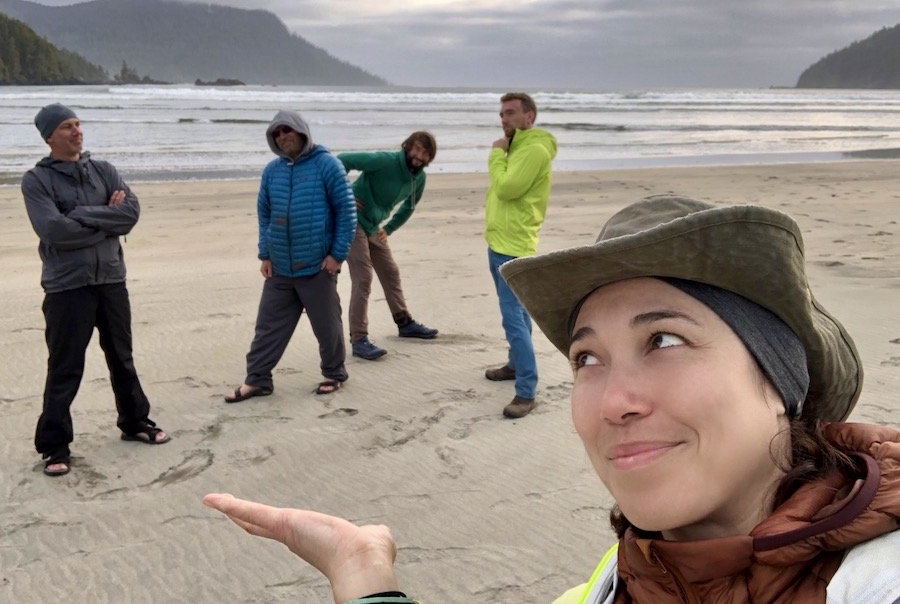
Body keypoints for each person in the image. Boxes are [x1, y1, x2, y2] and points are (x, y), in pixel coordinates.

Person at [204, 194, 899, 603]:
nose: (612, 402)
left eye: (663, 341)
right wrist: (366, 575)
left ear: (780, 381)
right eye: (588, 357)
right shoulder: (625, 573)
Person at [22, 103, 170, 478]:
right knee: (65, 367)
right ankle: (55, 445)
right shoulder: (36, 180)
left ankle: (135, 422)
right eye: (67, 126)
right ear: (49, 136)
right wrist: (106, 217)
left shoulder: (104, 171)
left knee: (122, 357)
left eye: (77, 124)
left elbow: (130, 214)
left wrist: (80, 215)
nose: (77, 131)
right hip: (67, 287)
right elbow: (53, 231)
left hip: (111, 281)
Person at [224, 110, 356, 401]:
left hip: (317, 265)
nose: (282, 137)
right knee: (267, 327)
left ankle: (334, 373)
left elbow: (346, 212)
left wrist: (337, 255)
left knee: (327, 326)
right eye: (276, 133)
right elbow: (265, 213)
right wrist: (265, 254)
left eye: (287, 130)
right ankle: (258, 380)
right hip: (281, 267)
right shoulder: (273, 170)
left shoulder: (328, 165)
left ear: (301, 131)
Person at [483, 92, 557, 418]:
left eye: (511, 112)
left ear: (530, 116)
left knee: (513, 317)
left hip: (513, 247)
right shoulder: (518, 147)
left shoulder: (534, 150)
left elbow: (507, 189)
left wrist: (495, 155)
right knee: (519, 314)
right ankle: (515, 365)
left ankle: (526, 392)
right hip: (500, 242)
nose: (504, 119)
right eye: (501, 113)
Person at [337, 132, 440, 361]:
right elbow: (342, 160)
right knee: (363, 278)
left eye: (425, 153)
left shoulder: (419, 178)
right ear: (407, 147)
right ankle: (359, 339)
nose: (418, 156)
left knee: (390, 272)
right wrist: (342, 194)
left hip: (373, 226)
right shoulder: (385, 161)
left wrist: (390, 228)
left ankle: (404, 323)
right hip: (352, 219)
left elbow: (409, 208)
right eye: (416, 149)